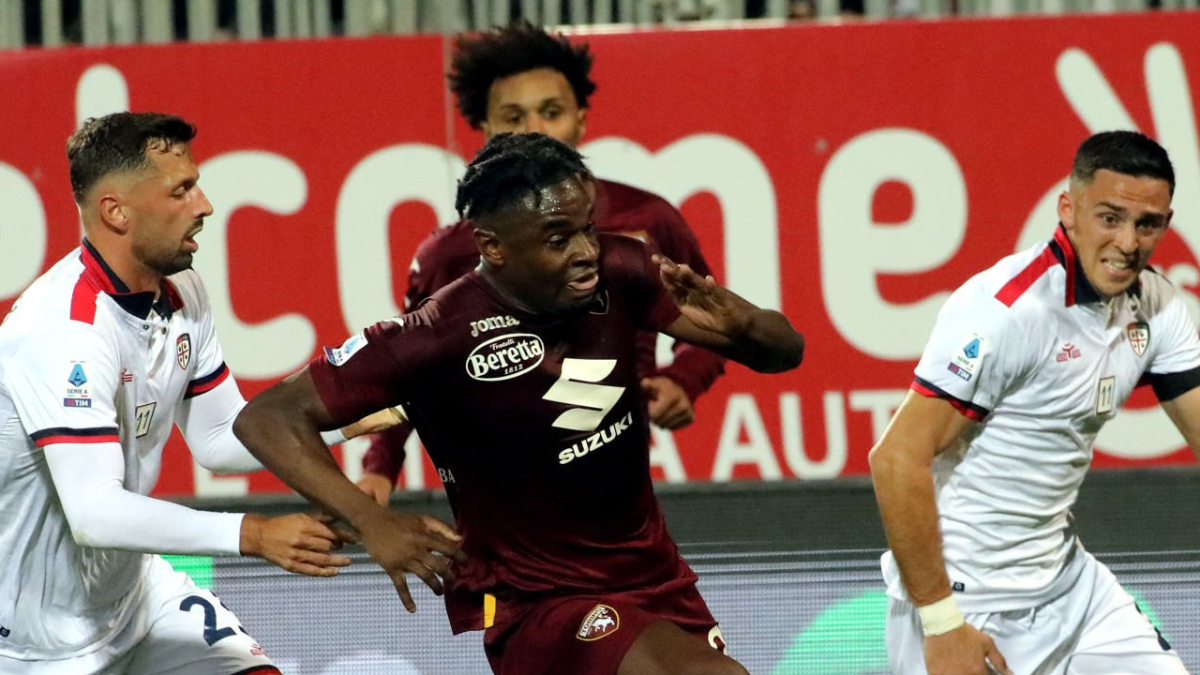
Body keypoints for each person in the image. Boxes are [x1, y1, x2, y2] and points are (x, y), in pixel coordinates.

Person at [234, 132, 804, 675]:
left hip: (657, 578)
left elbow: (785, 353)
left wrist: (749, 322)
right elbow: (266, 418)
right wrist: (371, 520)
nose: (585, 252)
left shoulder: (624, 268)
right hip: (536, 603)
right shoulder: (436, 334)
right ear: (492, 247)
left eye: (588, 229)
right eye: (559, 239)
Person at [0, 111, 373, 675]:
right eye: (182, 189)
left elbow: (220, 440)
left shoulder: (182, 289)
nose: (205, 205)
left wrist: (351, 415)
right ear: (116, 211)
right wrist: (254, 534)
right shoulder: (63, 332)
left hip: (137, 602)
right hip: (33, 647)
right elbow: (94, 512)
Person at [355, 20, 727, 503]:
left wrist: (682, 380)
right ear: (486, 129)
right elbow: (410, 371)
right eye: (513, 115)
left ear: (581, 118)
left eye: (550, 111)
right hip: (496, 497)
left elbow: (715, 320)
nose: (533, 129)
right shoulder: (447, 255)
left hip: (614, 482)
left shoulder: (648, 221)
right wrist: (380, 468)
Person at [868, 131, 1197, 675]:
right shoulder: (1007, 311)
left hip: (1073, 591)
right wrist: (943, 624)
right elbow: (896, 460)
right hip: (964, 603)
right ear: (1068, 209)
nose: (1128, 242)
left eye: (1148, 224)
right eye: (1110, 217)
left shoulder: (1157, 306)